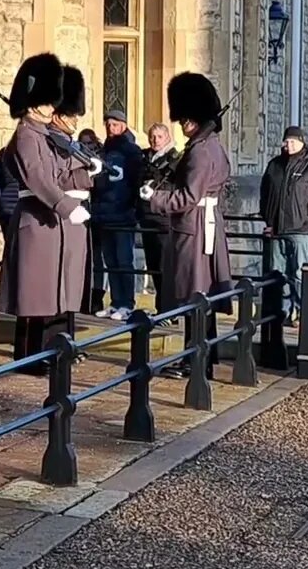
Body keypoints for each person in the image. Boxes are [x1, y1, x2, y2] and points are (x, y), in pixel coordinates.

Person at [0, 53, 93, 375]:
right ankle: (30, 358)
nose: (54, 109)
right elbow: (37, 178)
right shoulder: (25, 135)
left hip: (49, 221)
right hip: (36, 221)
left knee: (50, 293)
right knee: (35, 296)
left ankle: (49, 352)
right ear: (35, 104)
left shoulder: (42, 135)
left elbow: (58, 170)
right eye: (49, 103)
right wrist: (67, 206)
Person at [140, 72, 232, 378]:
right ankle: (205, 357)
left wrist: (155, 197)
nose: (183, 126)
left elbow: (188, 197)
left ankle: (196, 360)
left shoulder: (201, 151)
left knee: (195, 296)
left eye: (186, 120)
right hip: (206, 225)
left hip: (194, 229)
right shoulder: (210, 146)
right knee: (202, 296)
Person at [48, 65, 102, 348]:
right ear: (58, 114)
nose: (74, 120)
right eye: (70, 115)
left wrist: (89, 171)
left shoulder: (67, 142)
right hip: (64, 215)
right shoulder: (51, 140)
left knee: (71, 284)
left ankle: (67, 341)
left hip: (77, 214)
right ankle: (58, 344)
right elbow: (56, 178)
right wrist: (84, 172)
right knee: (60, 285)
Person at [259, 126, 308, 326]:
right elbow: (265, 194)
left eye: (293, 141)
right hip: (276, 229)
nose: (289, 145)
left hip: (300, 230)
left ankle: (299, 310)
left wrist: (307, 217)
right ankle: (281, 312)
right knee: (277, 274)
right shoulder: (274, 165)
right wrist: (268, 219)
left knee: (299, 272)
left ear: (301, 142)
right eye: (286, 141)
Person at [92, 110, 144, 320]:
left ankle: (127, 303)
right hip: (104, 214)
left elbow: (136, 181)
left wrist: (132, 207)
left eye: (114, 124)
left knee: (124, 260)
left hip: (123, 213)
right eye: (107, 125)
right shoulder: (104, 151)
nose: (110, 128)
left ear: (123, 125)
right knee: (110, 261)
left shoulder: (131, 151)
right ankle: (115, 302)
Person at [138, 123, 179, 302]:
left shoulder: (175, 160)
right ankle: (160, 307)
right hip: (147, 217)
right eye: (152, 137)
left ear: (167, 138)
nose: (155, 140)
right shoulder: (145, 158)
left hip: (164, 218)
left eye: (159, 137)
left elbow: (176, 188)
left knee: (165, 265)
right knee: (153, 265)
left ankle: (168, 308)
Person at [77, 128, 108, 314]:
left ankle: (97, 297)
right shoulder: (75, 157)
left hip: (98, 211)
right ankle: (83, 296)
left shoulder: (101, 158)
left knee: (98, 258)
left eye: (90, 143)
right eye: (83, 143)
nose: (87, 147)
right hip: (81, 210)